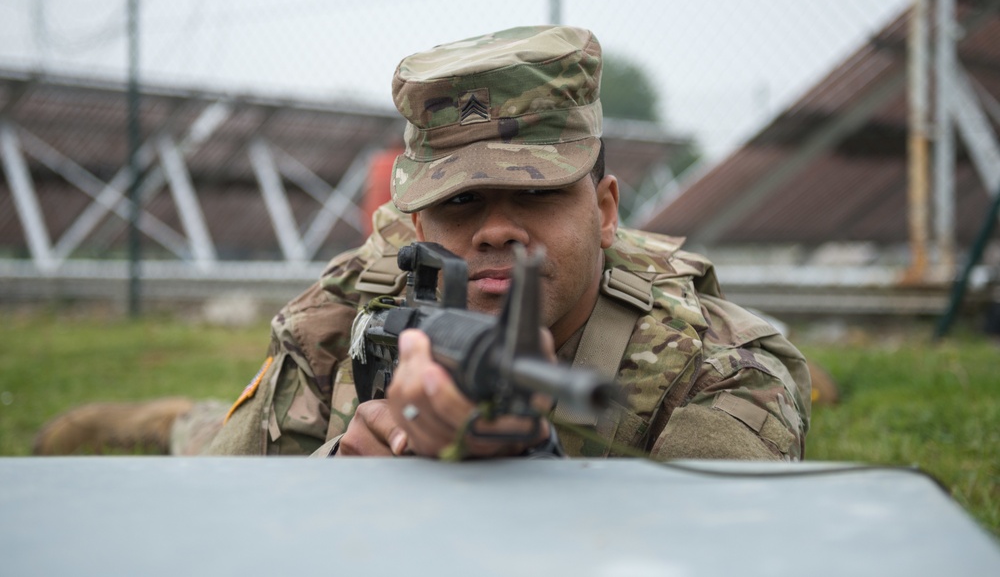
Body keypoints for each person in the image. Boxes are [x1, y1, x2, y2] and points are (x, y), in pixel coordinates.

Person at [35, 25, 811, 460]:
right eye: (460, 200)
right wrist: (346, 470)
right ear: (413, 228)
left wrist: (534, 467)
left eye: (538, 193)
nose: (498, 228)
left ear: (606, 209)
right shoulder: (351, 305)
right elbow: (233, 504)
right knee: (205, 444)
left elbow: (716, 548)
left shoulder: (722, 364)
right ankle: (156, 417)